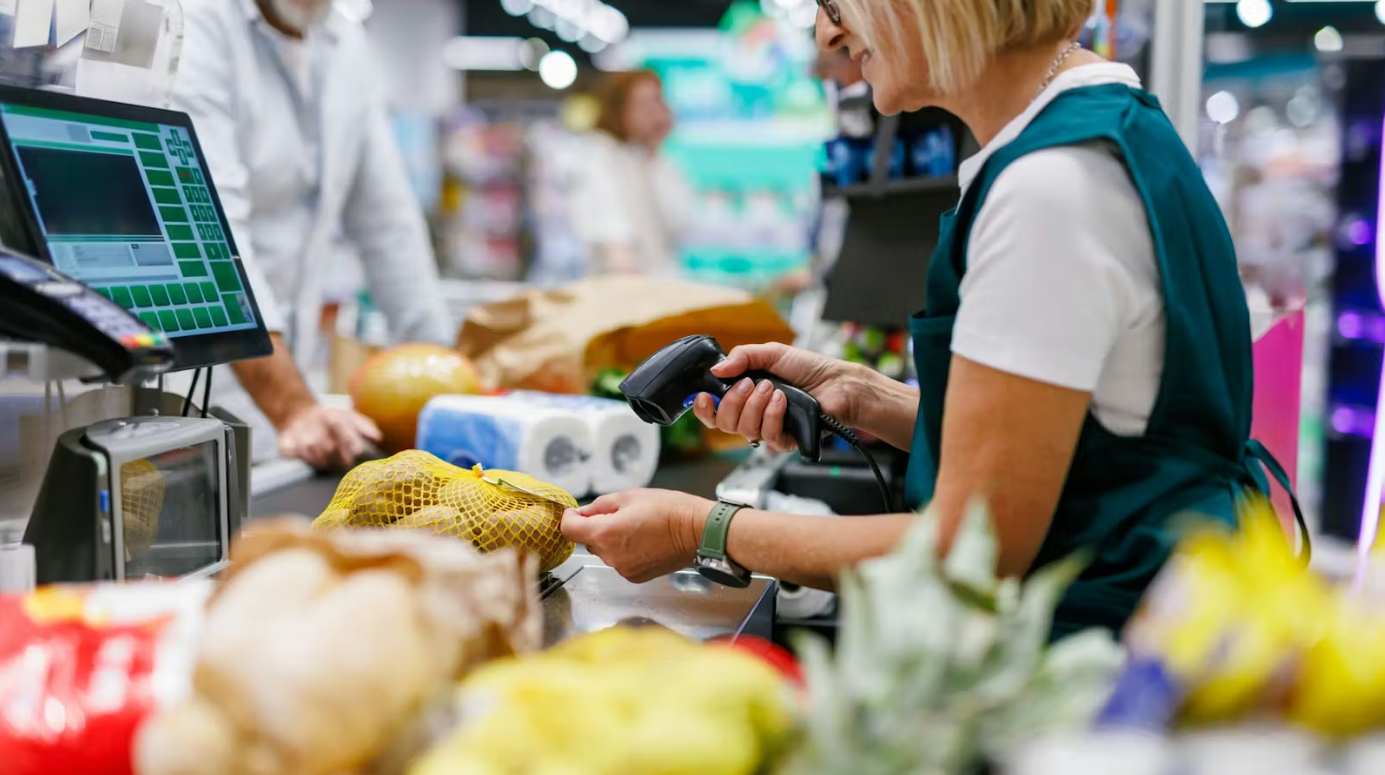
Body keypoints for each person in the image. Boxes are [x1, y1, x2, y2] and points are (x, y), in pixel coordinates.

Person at [561, 0, 1299, 639]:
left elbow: (968, 549)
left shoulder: (1046, 191)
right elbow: (1087, 450)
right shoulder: (1108, 129)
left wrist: (701, 529)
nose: (826, 35)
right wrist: (867, 398)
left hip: (1100, 651)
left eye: (837, 3)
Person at [172, 0, 454, 468]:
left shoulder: (347, 45)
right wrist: (291, 406)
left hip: (291, 397)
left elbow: (389, 225)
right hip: (195, 394)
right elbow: (208, 230)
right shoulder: (196, 25)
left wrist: (445, 384)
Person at [569, 70, 696, 277]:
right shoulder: (600, 153)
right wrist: (628, 276)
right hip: (625, 283)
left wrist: (654, 151)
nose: (653, 112)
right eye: (643, 104)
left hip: (658, 280)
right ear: (620, 108)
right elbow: (613, 231)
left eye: (657, 101)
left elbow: (678, 221)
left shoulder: (648, 158)